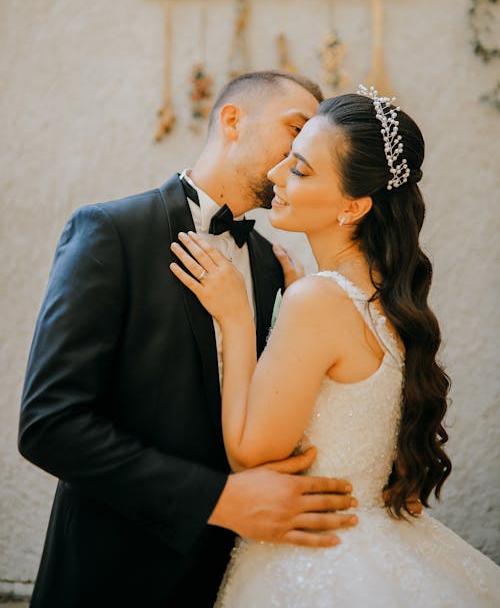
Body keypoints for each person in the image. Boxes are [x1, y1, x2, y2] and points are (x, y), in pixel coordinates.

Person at [18, 70, 367, 608]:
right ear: (232, 120)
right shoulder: (110, 232)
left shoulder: (273, 268)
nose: (296, 155)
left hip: (230, 580)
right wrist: (218, 500)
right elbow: (50, 424)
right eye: (293, 129)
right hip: (111, 579)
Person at [171, 86, 500, 607]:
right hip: (382, 544)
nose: (277, 175)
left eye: (300, 170)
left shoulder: (318, 300)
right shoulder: (385, 296)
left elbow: (249, 452)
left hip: (314, 562)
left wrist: (236, 318)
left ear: (354, 206)